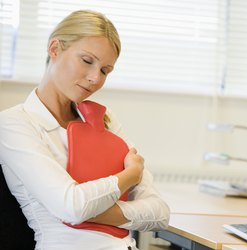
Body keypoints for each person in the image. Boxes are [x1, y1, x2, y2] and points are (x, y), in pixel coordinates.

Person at [0, 9, 170, 250]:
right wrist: (129, 176)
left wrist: (92, 211)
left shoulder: (104, 118)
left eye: (105, 71)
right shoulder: (14, 123)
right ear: (55, 49)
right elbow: (71, 206)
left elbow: (159, 212)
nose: (95, 79)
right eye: (87, 61)